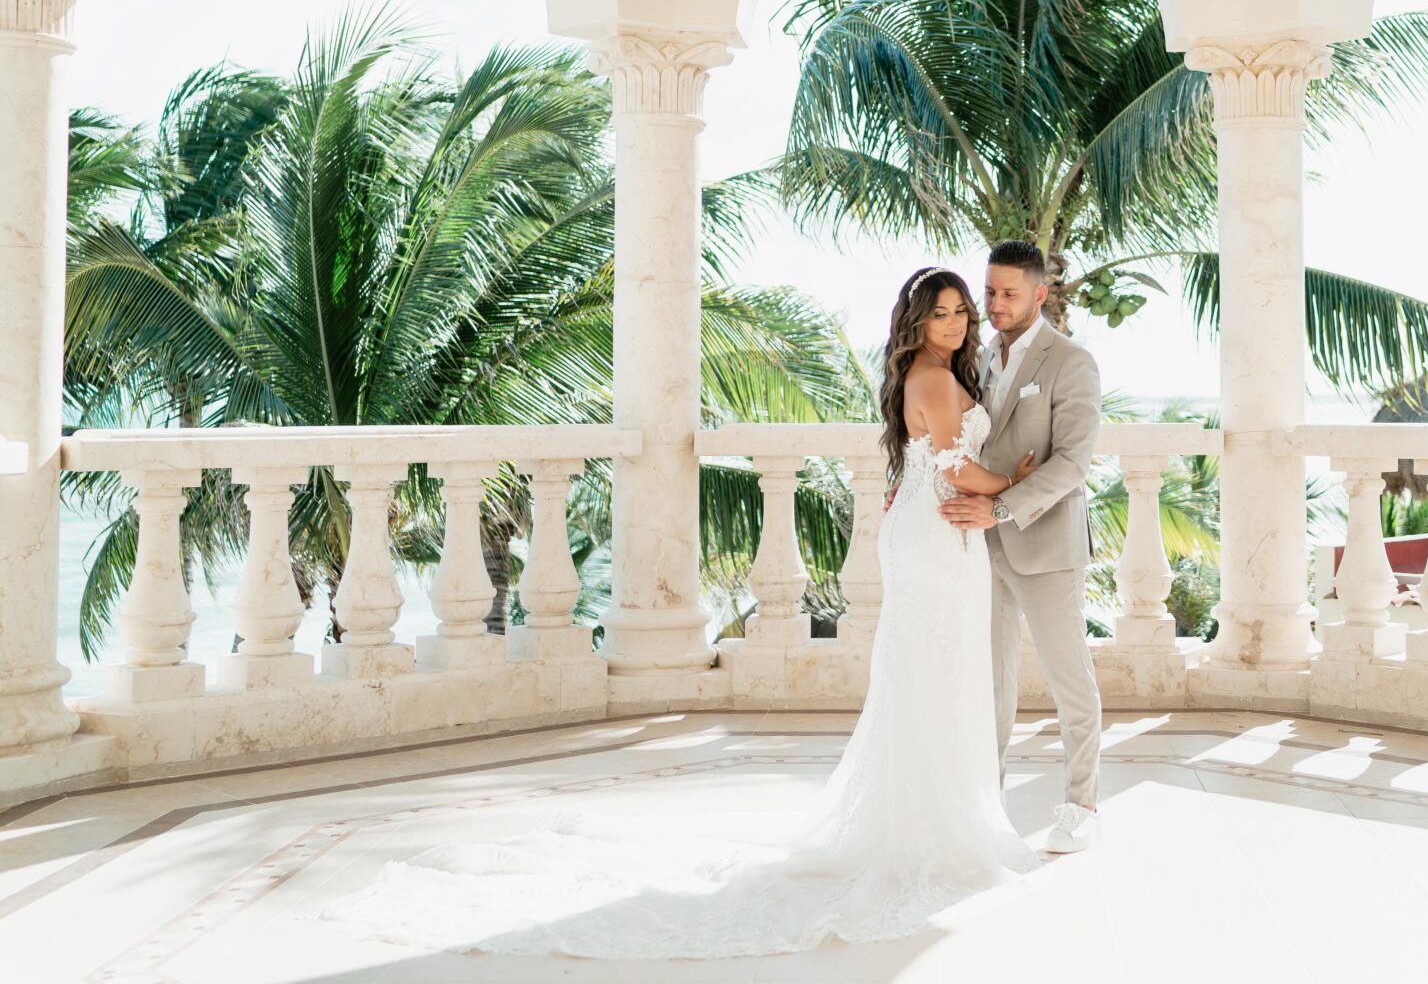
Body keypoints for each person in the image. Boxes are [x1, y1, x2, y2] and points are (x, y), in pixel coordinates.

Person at [323, 266, 1046, 959]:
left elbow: (929, 463)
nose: (953, 324)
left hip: (928, 529)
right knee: (937, 674)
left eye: (960, 312)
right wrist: (1016, 478)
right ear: (917, 322)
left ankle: (928, 822)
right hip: (942, 532)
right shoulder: (935, 378)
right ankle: (937, 833)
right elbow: (955, 468)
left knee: (927, 675)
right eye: (941, 312)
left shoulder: (929, 377)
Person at [941, 239, 1105, 853]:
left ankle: (1082, 802)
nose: (996, 303)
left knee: (1070, 681)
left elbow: (1074, 463)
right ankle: (989, 803)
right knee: (990, 684)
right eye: (990, 291)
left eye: (1010, 293)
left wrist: (1001, 506)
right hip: (982, 550)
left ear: (1040, 294)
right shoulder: (978, 359)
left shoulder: (1071, 362)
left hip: (1045, 545)